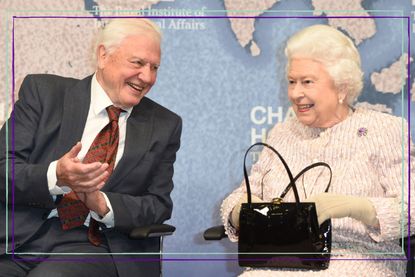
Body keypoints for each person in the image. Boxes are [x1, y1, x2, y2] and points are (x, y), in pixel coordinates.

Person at [221, 24, 414, 276]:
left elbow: (411, 208)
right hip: (281, 262)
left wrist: (355, 207)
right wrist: (240, 210)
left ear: (342, 87)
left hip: (358, 260)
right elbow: (241, 196)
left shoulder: (383, 130)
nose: (296, 93)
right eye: (291, 82)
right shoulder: (281, 134)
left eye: (307, 82)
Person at [0, 18, 182, 277]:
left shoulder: (164, 125)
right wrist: (57, 176)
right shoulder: (43, 93)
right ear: (103, 55)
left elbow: (158, 205)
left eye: (155, 67)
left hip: (94, 244)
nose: (148, 77)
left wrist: (101, 203)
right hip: (18, 239)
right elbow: (3, 168)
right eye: (138, 63)